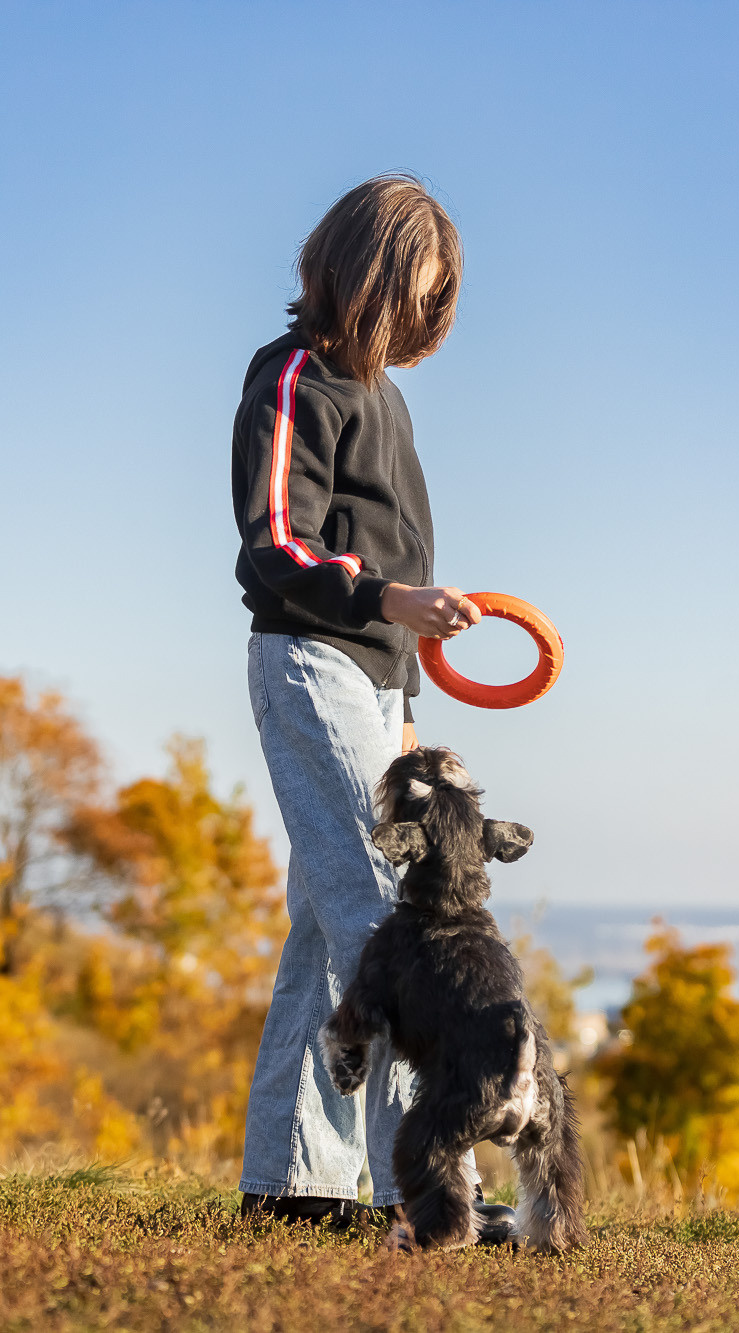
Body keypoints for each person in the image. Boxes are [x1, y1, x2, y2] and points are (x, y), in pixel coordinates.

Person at [231, 174, 502, 1233]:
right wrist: (389, 600)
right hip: (307, 660)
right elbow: (274, 543)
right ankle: (423, 1190)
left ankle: (290, 1186)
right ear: (361, 272)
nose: (415, 318)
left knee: (323, 924)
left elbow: (402, 563)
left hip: (375, 684)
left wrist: (404, 706)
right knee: (386, 926)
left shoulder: (386, 402)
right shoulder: (292, 374)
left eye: (431, 301)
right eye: (408, 294)